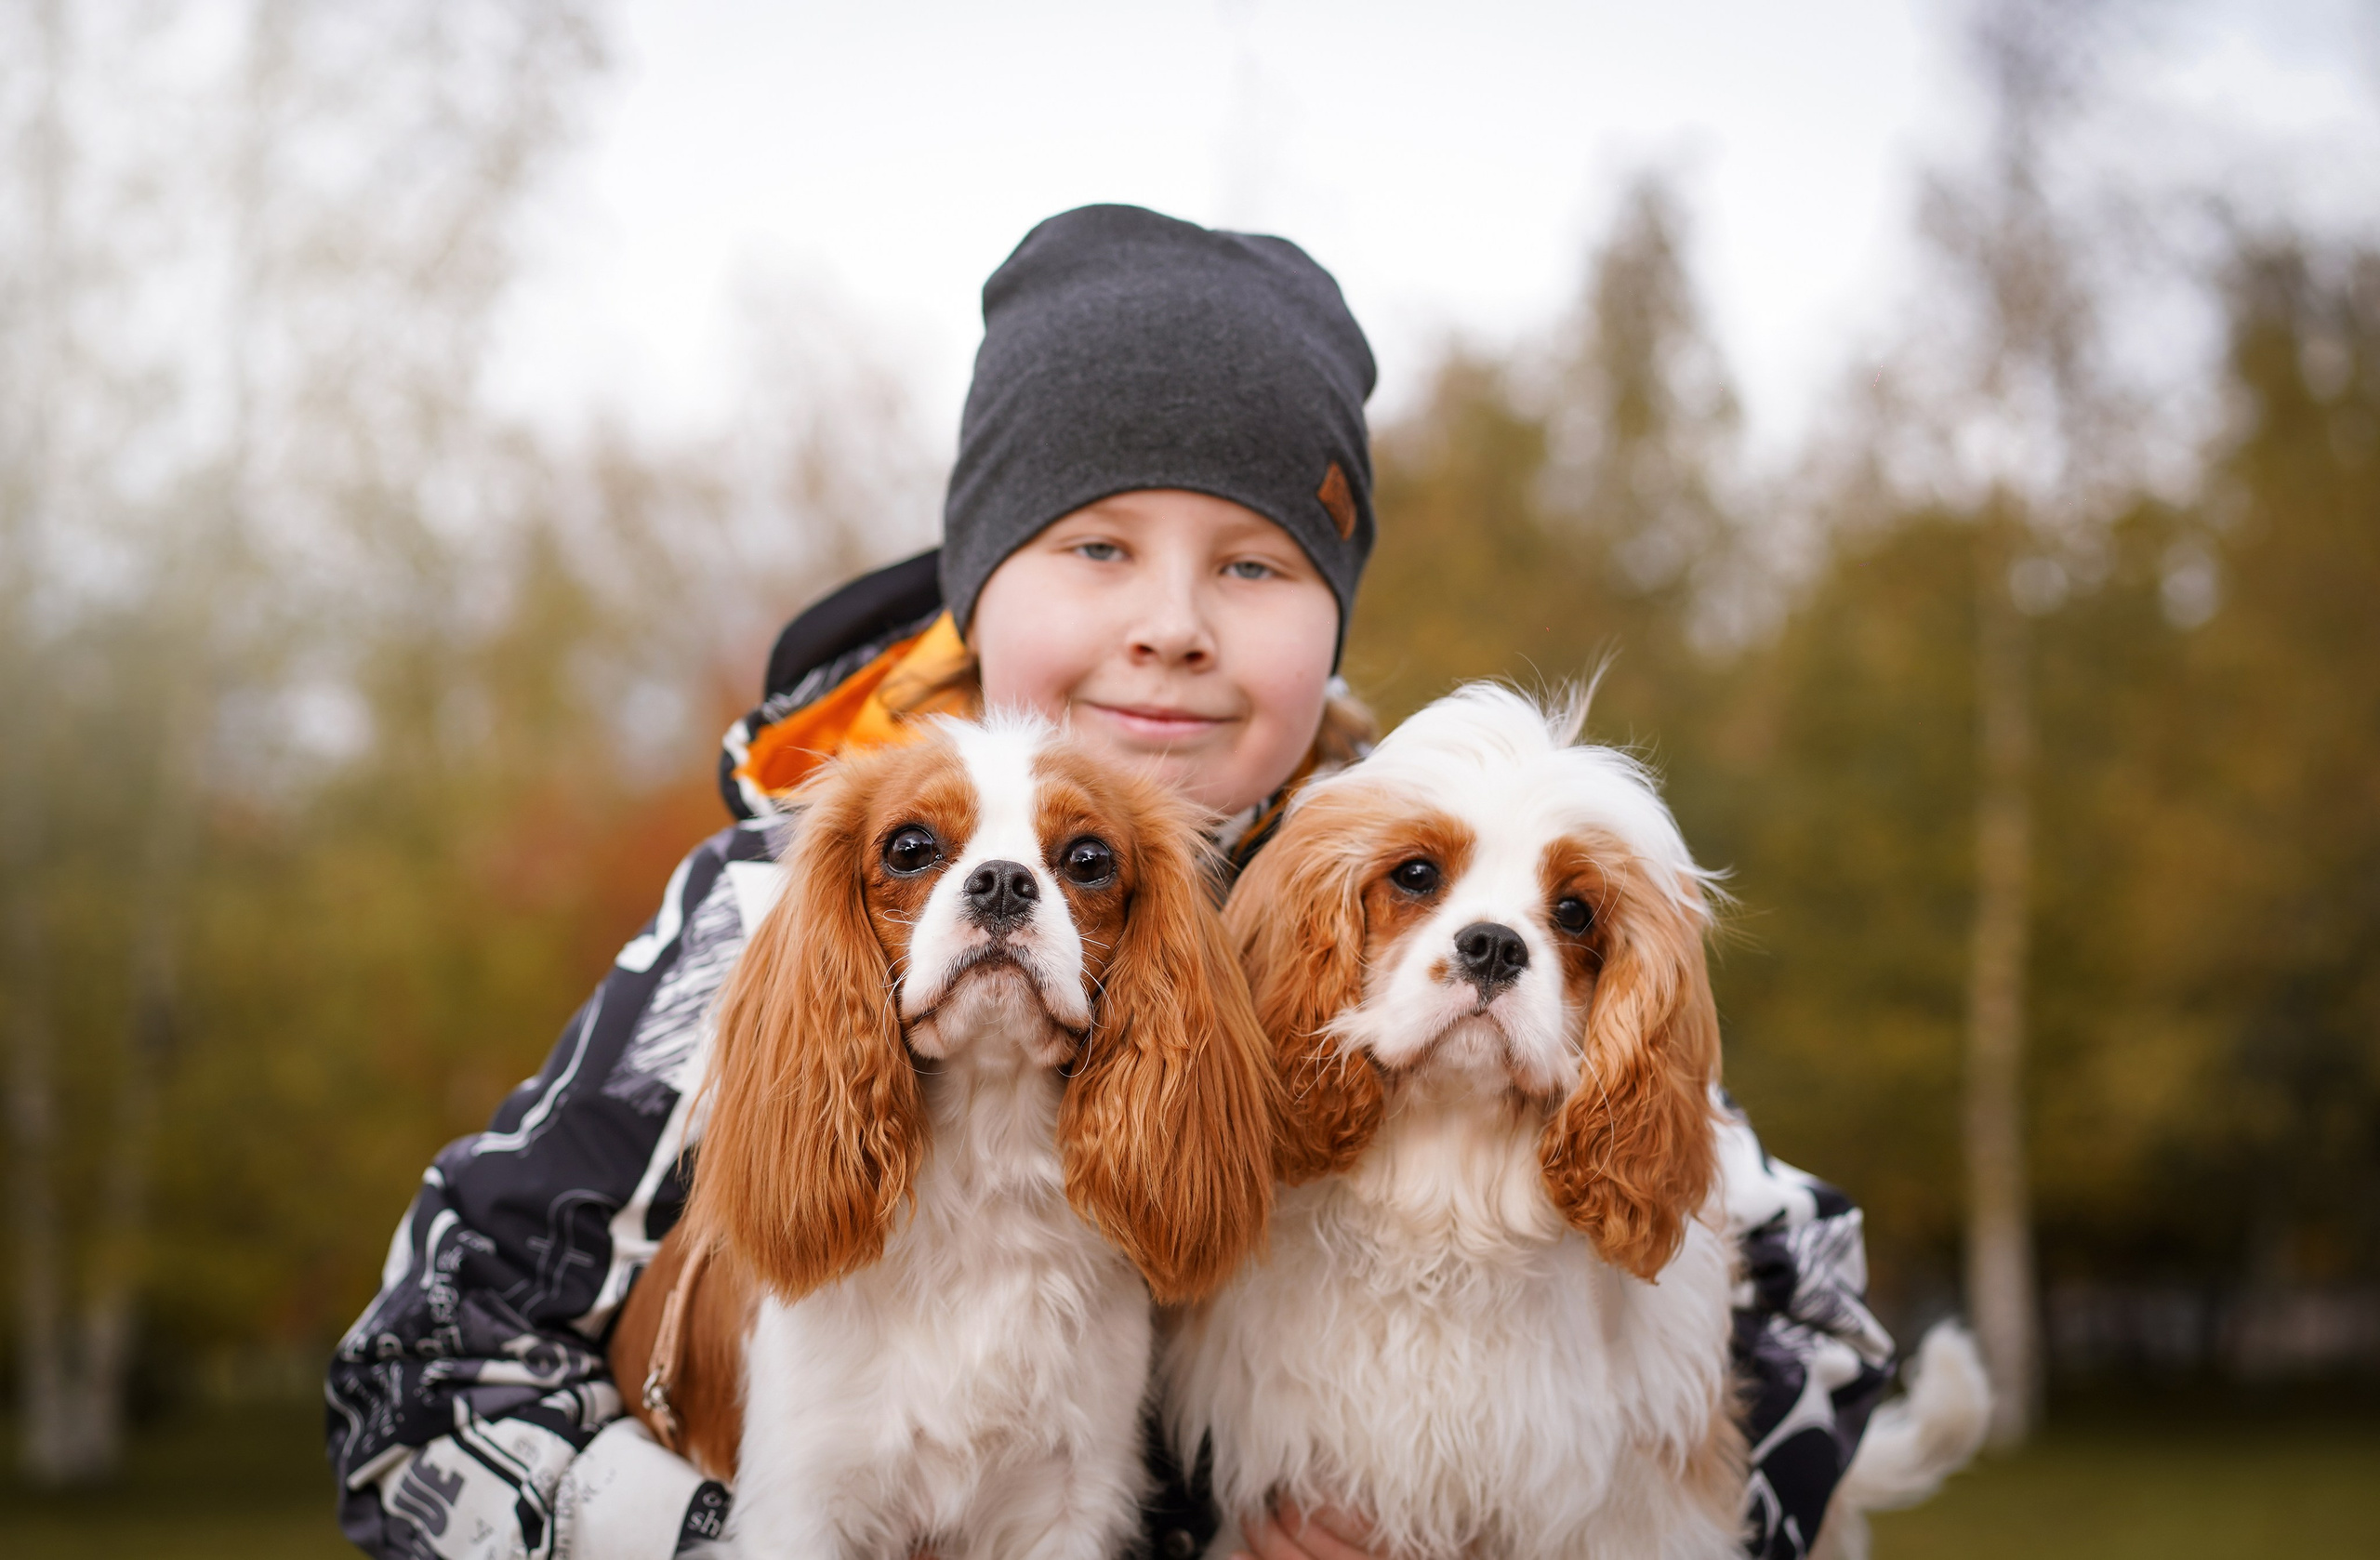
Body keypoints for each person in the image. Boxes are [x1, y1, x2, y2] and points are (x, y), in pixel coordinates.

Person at [326, 205, 1890, 1560]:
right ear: (977, 580)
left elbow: (1810, 1304)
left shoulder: (1406, 904)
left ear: (1332, 620)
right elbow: (415, 1377)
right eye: (1094, 545)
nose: (1172, 625)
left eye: (1256, 565)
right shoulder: (767, 903)